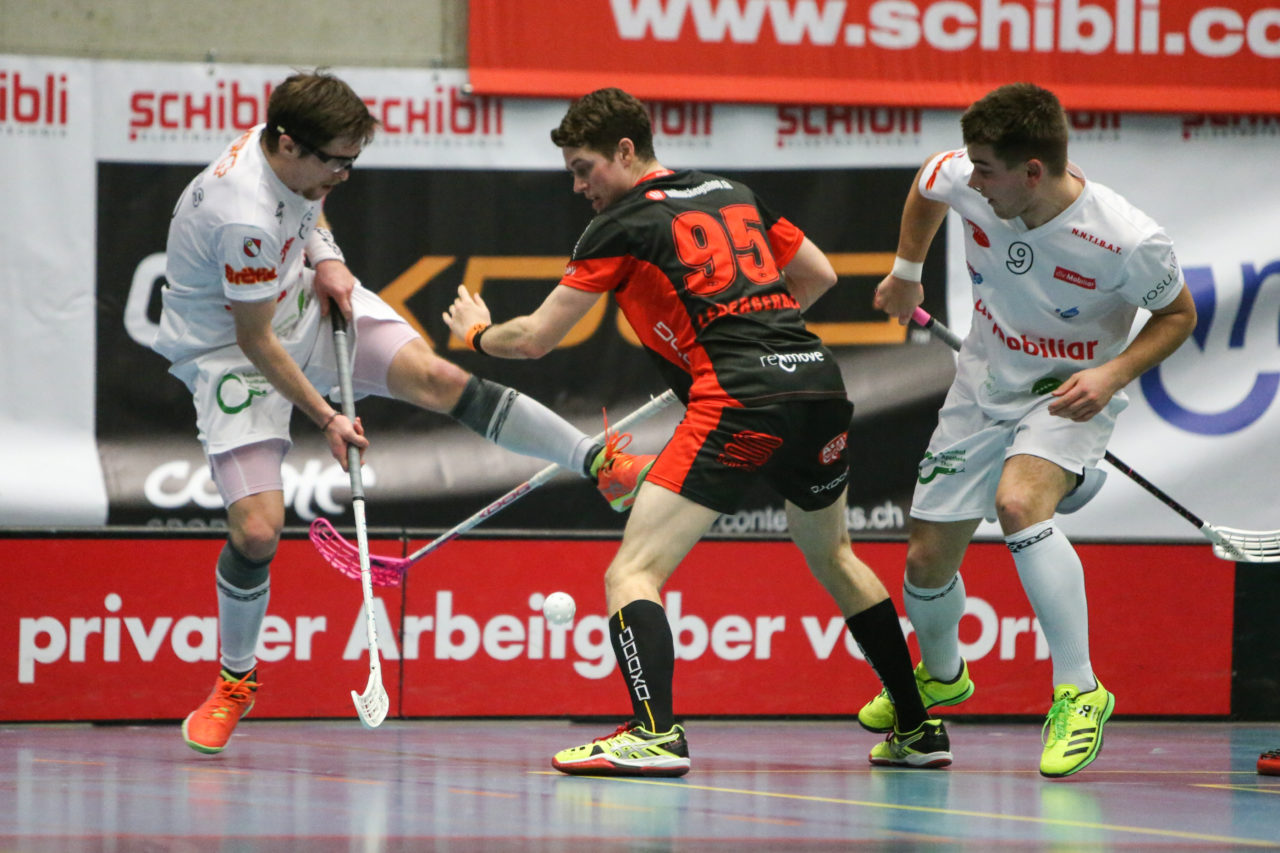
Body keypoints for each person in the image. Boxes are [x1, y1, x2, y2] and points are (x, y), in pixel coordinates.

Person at [442, 87, 950, 776]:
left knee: (633, 571)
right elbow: (818, 274)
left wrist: (474, 335)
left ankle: (654, 732)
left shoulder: (620, 223)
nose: (579, 184)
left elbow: (533, 338)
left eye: (586, 167)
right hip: (816, 385)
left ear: (627, 151)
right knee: (836, 557)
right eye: (570, 171)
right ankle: (918, 728)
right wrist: (742, 336)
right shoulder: (731, 191)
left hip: (738, 399)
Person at [153, 71, 652, 755]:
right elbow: (255, 339)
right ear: (290, 143)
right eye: (336, 161)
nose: (343, 176)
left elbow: (307, 208)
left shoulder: (290, 161)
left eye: (352, 163)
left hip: (295, 297)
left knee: (439, 376)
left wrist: (326, 258)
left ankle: (595, 459)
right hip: (230, 353)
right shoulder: (240, 213)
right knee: (258, 530)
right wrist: (328, 417)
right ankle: (236, 680)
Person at [865, 82, 1197, 778]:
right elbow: (928, 185)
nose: (972, 175)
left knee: (1019, 504)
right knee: (926, 561)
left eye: (986, 168)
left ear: (1033, 171)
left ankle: (1079, 689)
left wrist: (1112, 376)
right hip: (982, 381)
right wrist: (905, 272)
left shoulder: (1126, 238)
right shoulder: (966, 174)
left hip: (1069, 395)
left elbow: (1176, 317)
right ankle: (944, 674)